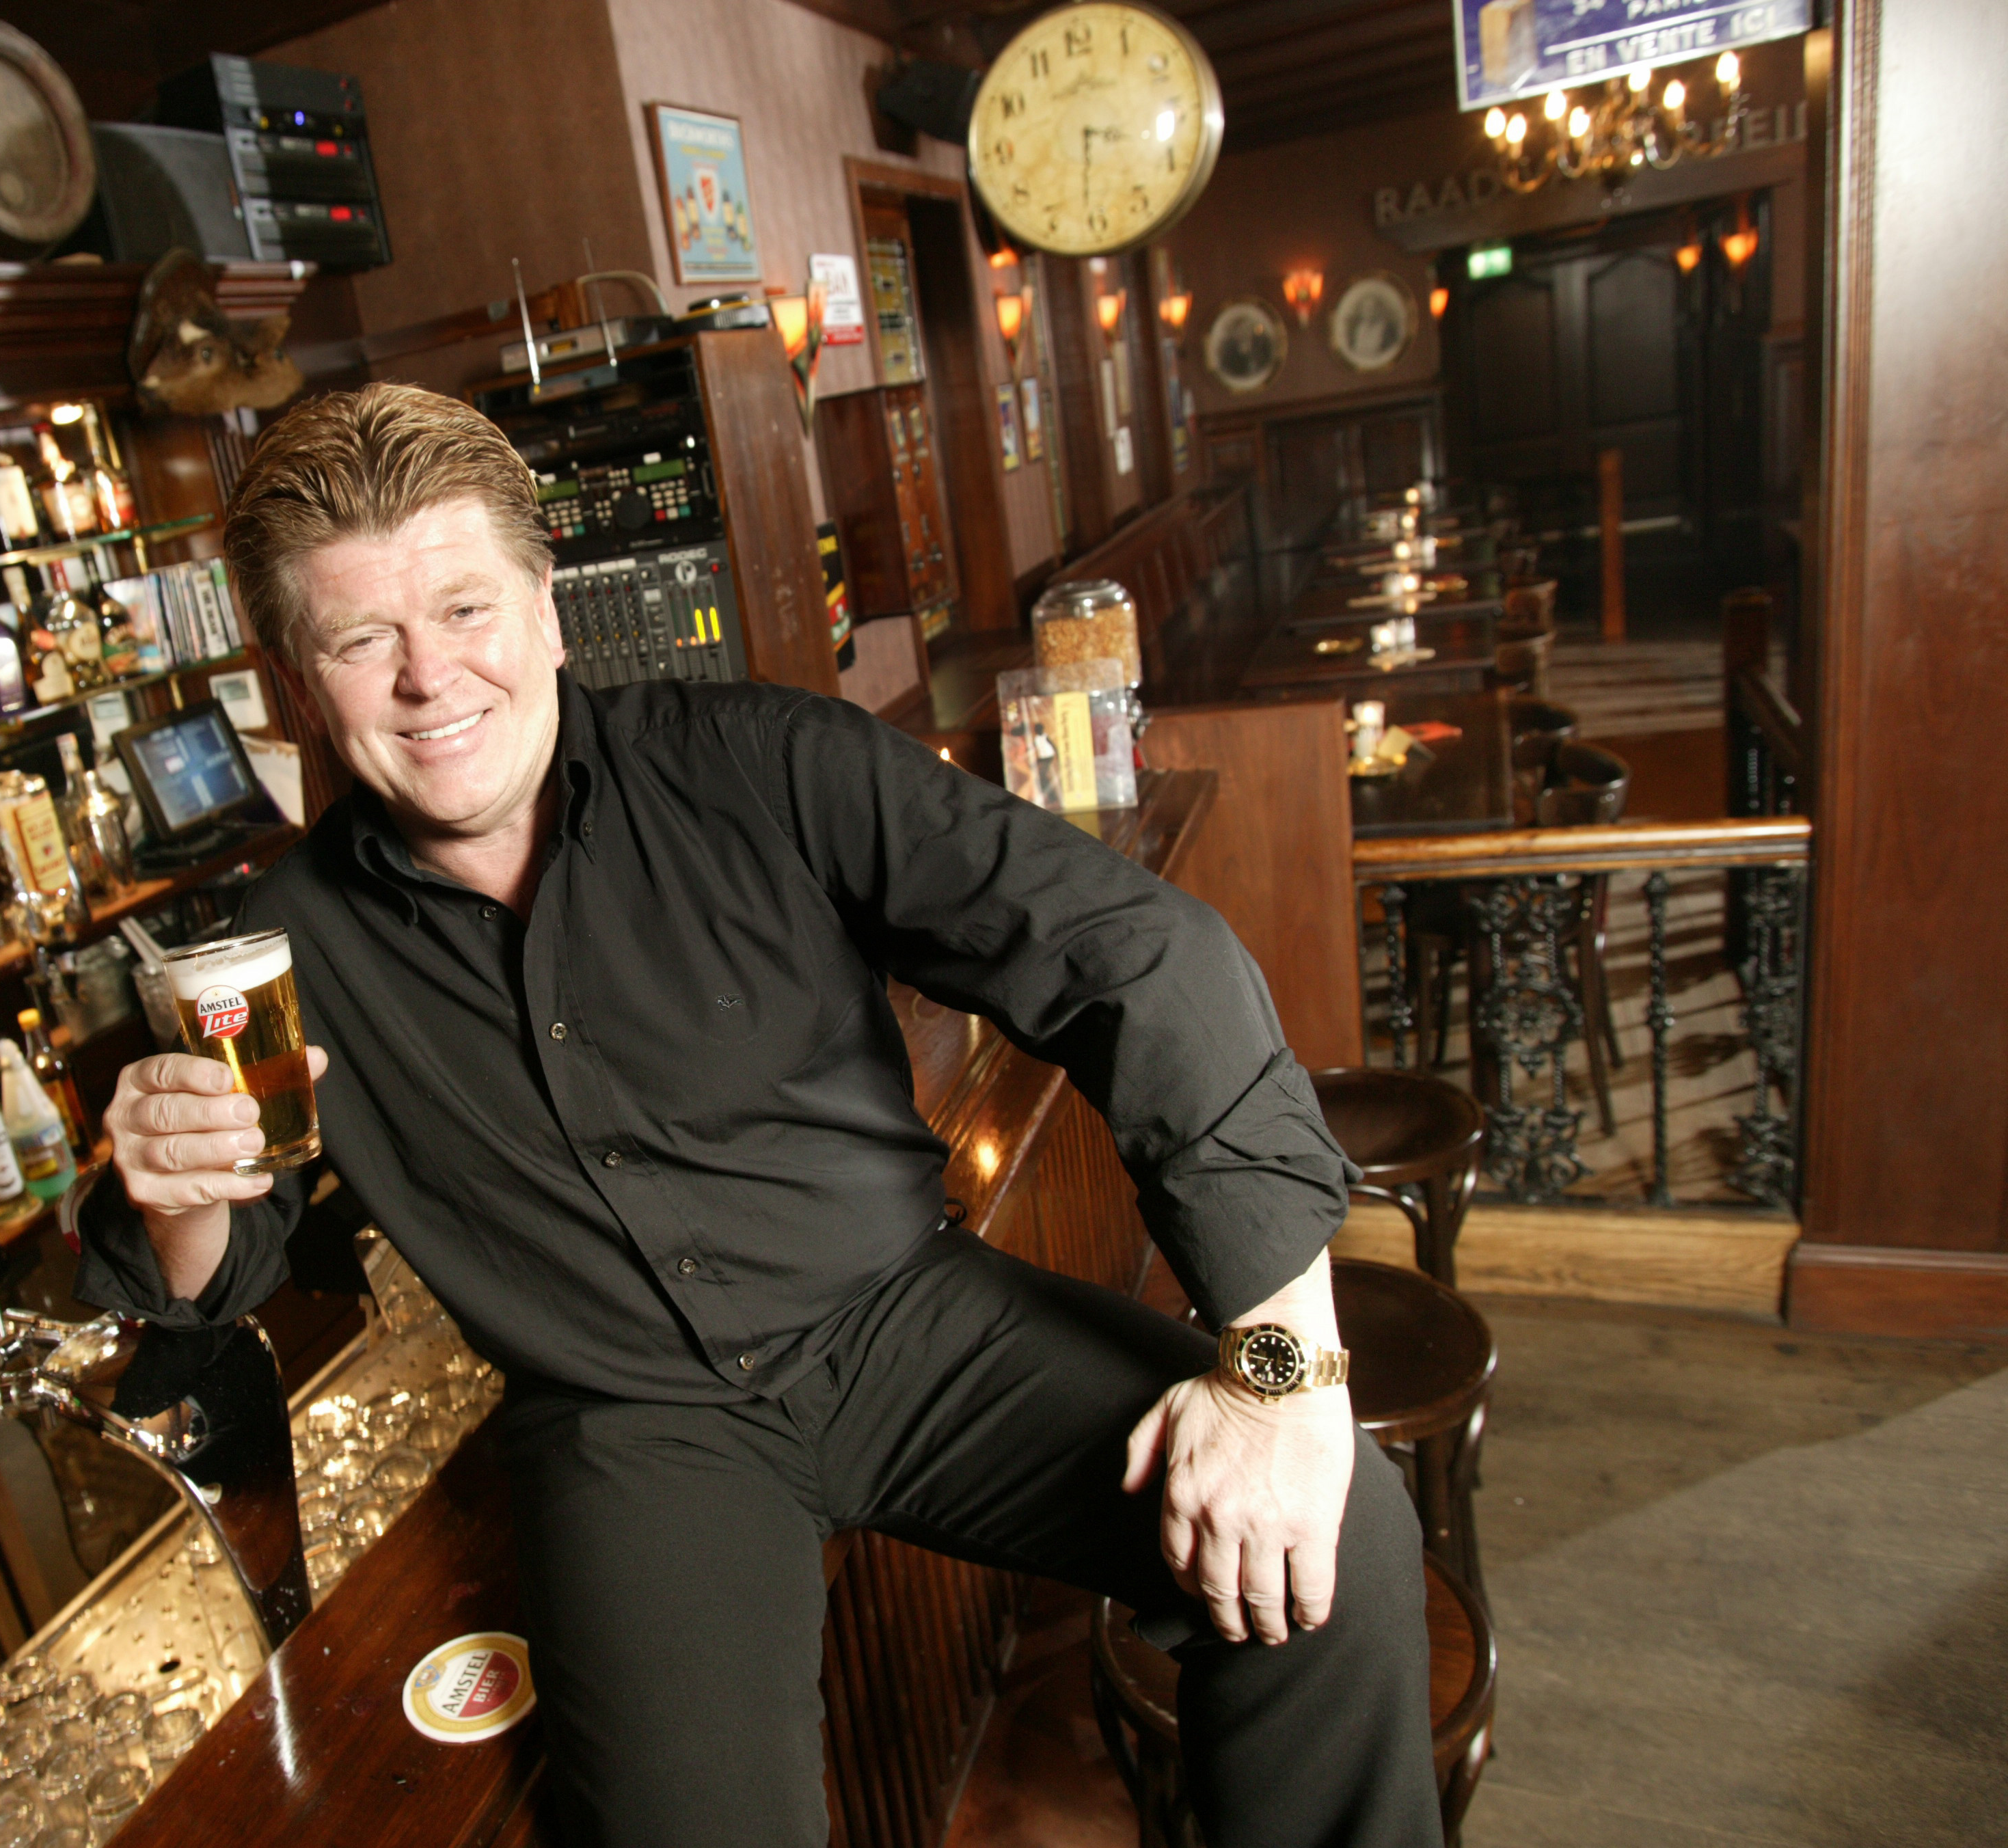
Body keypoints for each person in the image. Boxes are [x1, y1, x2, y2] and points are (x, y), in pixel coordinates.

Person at [77, 384, 1441, 1847]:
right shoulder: (280, 949)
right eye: (362, 640)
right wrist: (175, 1188)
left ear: (545, 611)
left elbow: (1142, 956)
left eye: (467, 608)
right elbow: (209, 1293)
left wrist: (1282, 1369)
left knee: (1337, 1527)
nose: (431, 676)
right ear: (297, 684)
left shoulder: (759, 763)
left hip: (905, 1326)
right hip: (631, 1435)